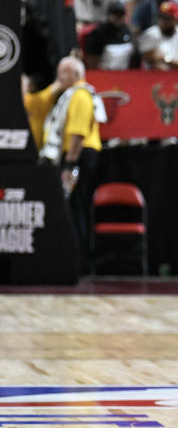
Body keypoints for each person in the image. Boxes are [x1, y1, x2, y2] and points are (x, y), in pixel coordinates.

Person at [37, 57, 104, 269]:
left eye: (63, 73)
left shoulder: (81, 95)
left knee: (75, 208)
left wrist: (69, 166)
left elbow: (78, 134)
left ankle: (78, 260)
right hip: (74, 156)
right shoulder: (68, 96)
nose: (59, 77)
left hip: (79, 156)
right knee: (70, 207)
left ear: (76, 74)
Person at [138, 1, 178, 70]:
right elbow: (147, 58)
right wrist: (154, 60)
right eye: (160, 17)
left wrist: (166, 59)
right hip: (156, 77)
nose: (162, 22)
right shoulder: (149, 34)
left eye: (167, 18)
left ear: (177, 20)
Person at [84, 1, 135, 70]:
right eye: (116, 15)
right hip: (105, 73)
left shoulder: (127, 31)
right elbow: (92, 60)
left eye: (121, 15)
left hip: (125, 72)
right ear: (109, 15)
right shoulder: (98, 33)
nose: (118, 18)